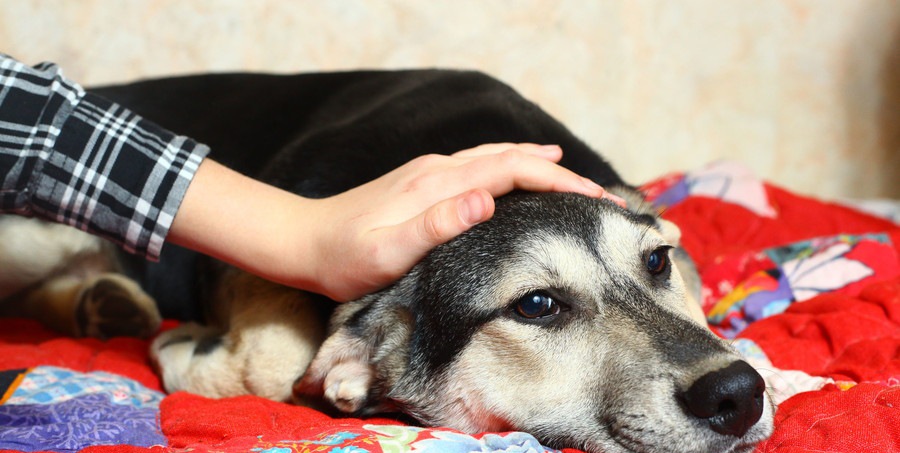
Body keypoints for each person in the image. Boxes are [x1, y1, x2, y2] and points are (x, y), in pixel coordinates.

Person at [0, 54, 616, 302]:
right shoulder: (333, 160)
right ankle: (62, 292)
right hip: (50, 213)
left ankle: (60, 297)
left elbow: (29, 122)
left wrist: (302, 234)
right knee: (30, 246)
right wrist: (300, 230)